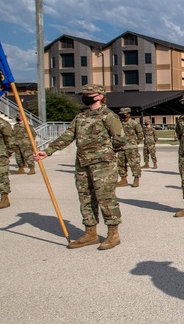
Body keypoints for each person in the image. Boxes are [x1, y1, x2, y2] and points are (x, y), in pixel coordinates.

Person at [33, 85, 126, 249]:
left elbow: (120, 139)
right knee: (85, 198)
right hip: (83, 164)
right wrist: (47, 152)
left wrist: (105, 152)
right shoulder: (81, 117)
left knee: (105, 198)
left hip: (102, 165)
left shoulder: (108, 116)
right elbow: (68, 136)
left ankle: (113, 234)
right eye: (84, 94)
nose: (85, 96)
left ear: (99, 96)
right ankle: (90, 233)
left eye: (89, 94)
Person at [116, 107, 143, 187]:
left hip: (131, 148)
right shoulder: (119, 123)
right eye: (121, 114)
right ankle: (123, 180)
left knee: (134, 164)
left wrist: (135, 143)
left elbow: (140, 135)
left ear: (128, 114)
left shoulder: (134, 123)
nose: (122, 116)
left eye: (123, 114)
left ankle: (136, 179)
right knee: (121, 164)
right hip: (121, 147)